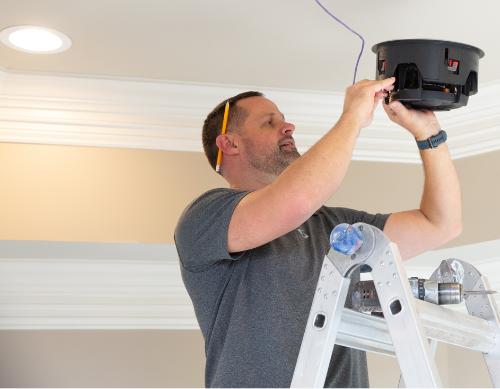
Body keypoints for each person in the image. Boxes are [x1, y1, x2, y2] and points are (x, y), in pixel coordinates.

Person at [174, 77, 462, 388]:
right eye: (269, 122)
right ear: (229, 144)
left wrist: (429, 133)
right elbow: (296, 199)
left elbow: (440, 224)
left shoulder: (334, 228)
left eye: (284, 121)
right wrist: (352, 116)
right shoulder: (207, 215)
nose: (289, 127)